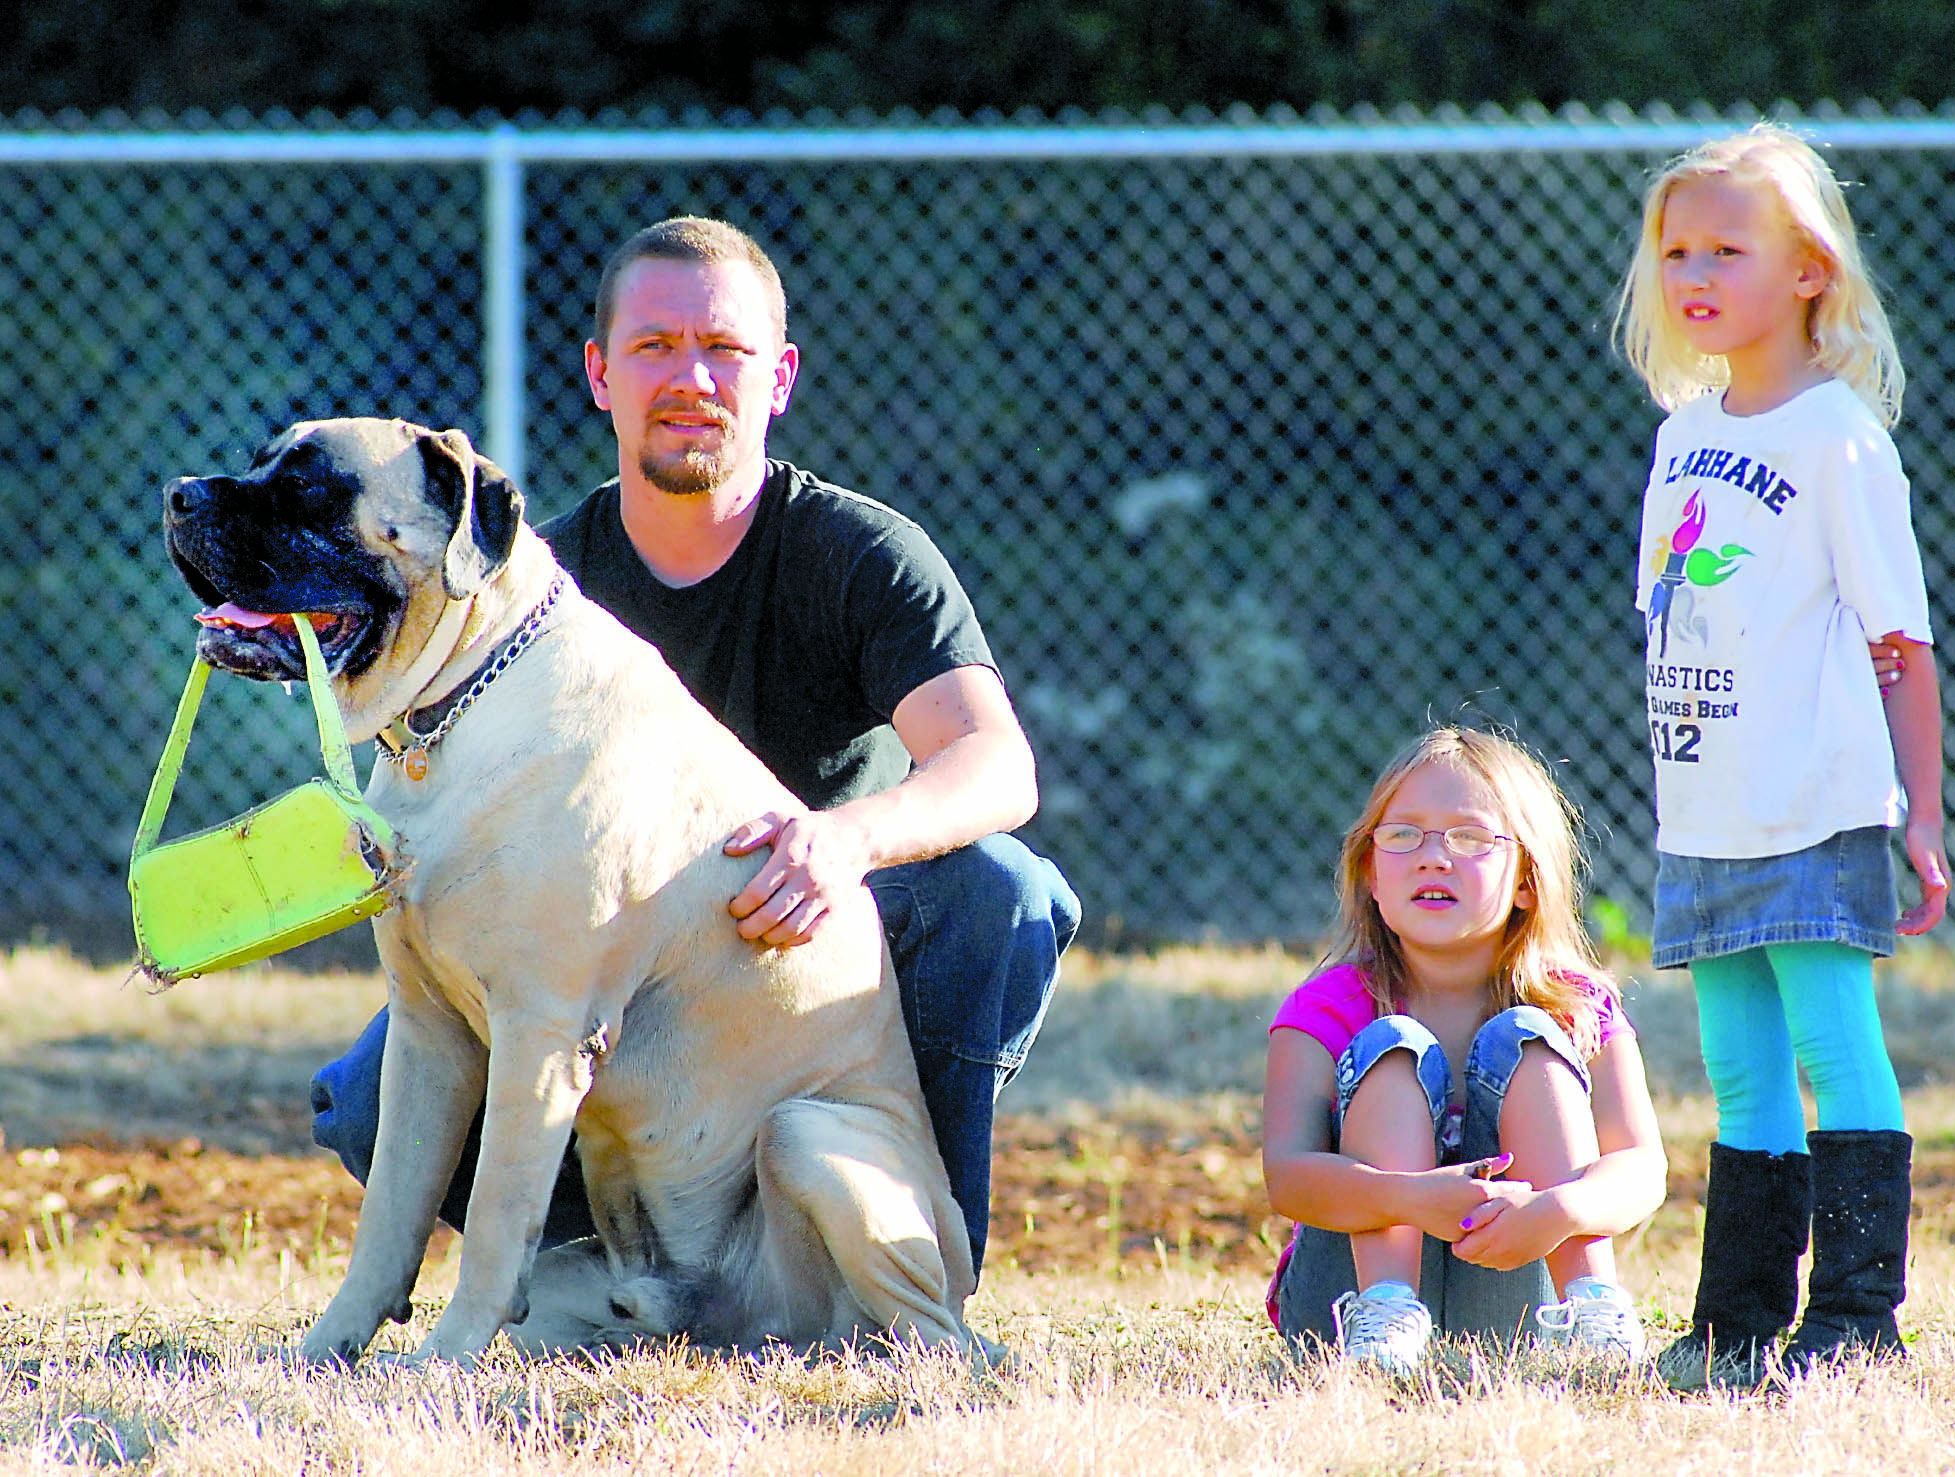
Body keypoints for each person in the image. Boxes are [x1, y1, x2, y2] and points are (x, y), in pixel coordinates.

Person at [310, 216, 1081, 1284]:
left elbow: (998, 765)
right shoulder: (539, 584)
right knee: (357, 1097)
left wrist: (842, 840)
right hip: (614, 978)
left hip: (802, 970)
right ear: (598, 373)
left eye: (724, 349)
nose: (691, 378)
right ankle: (629, 1276)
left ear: (780, 378)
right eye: (655, 347)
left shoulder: (861, 554)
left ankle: (907, 1264)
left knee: (1000, 892)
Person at [1613, 126, 1949, 1390]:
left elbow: (1898, 643)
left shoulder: (1837, 436)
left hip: (1813, 808)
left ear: (1808, 268)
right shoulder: (1680, 431)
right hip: (1704, 816)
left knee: (1828, 1040)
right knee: (1739, 1068)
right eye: (1676, 251)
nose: (1695, 274)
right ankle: (1734, 1323)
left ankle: (1857, 1320)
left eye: (1727, 250)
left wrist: (1919, 811)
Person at [1260, 727, 1668, 1376]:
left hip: (1521, 1294)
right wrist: (1406, 1198)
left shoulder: (1578, 1006)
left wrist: (1557, 1208)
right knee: (1391, 1046)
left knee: (1525, 1037)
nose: (1432, 857)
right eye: (1402, 835)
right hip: (1344, 1307)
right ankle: (1388, 1309)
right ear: (1368, 872)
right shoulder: (1323, 1007)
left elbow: (1642, 1168)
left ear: (1527, 880)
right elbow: (1287, 1176)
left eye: (1470, 838)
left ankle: (1591, 1309)